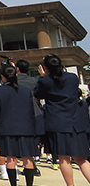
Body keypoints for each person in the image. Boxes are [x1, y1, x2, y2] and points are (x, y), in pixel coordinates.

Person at [34, 54, 90, 186]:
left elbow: (38, 94)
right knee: (81, 159)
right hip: (75, 121)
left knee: (64, 159)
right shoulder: (73, 78)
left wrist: (43, 76)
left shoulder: (45, 81)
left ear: (45, 68)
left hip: (57, 122)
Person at [0, 65, 37, 186]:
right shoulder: (26, 90)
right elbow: (31, 109)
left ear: (3, 77)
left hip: (7, 127)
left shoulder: (0, 91)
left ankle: (13, 184)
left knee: (10, 158)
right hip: (26, 127)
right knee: (27, 158)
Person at [16, 59, 43, 176]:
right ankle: (32, 164)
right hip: (35, 112)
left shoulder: (14, 81)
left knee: (23, 143)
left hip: (20, 114)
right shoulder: (33, 80)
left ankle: (31, 167)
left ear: (17, 68)